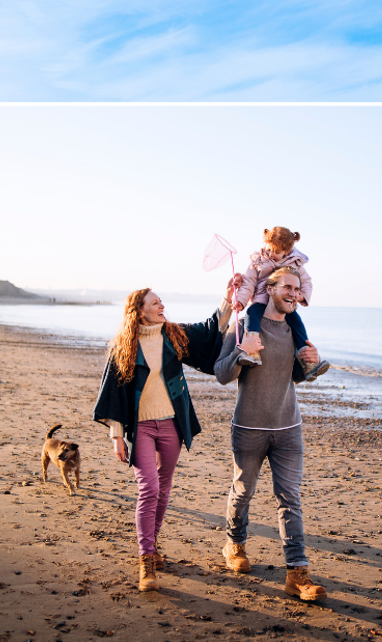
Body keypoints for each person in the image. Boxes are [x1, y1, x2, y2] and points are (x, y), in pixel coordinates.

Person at [93, 278, 237, 592]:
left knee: (163, 488)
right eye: (155, 303)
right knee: (148, 489)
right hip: (141, 428)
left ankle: (153, 543)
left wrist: (227, 299)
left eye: (161, 302)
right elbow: (114, 393)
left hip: (172, 424)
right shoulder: (124, 347)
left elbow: (209, 328)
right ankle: (146, 560)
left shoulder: (173, 335)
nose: (162, 307)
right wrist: (117, 435)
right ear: (140, 312)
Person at [216, 267, 327, 601]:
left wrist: (311, 362)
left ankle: (297, 573)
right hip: (249, 427)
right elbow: (222, 374)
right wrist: (241, 350)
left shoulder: (294, 329)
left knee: (290, 498)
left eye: (297, 288)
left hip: (288, 427)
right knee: (243, 491)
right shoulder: (244, 326)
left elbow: (292, 376)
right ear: (270, 288)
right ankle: (234, 545)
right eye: (288, 287)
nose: (294, 293)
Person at [235, 226, 329, 382]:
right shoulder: (258, 260)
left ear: (287, 252)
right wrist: (240, 301)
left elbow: (306, 282)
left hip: (284, 306)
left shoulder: (295, 264)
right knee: (252, 315)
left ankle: (307, 361)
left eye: (277, 252)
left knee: (297, 323)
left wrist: (301, 295)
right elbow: (248, 282)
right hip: (260, 300)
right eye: (269, 249)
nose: (271, 254)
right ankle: (252, 352)